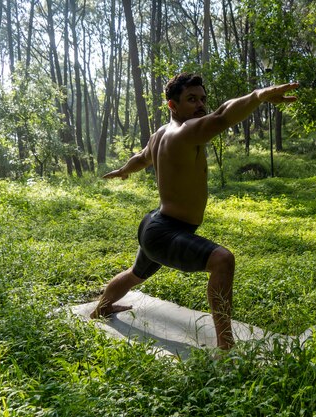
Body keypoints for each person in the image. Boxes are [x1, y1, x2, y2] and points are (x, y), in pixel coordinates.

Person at [91, 73, 298, 350]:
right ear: (172, 106)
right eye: (191, 99)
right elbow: (223, 116)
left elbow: (141, 158)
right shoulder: (186, 131)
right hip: (165, 231)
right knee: (222, 260)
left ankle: (101, 308)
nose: (200, 105)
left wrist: (123, 171)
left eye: (202, 99)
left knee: (135, 274)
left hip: (155, 224)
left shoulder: (160, 135)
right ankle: (226, 347)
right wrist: (259, 95)